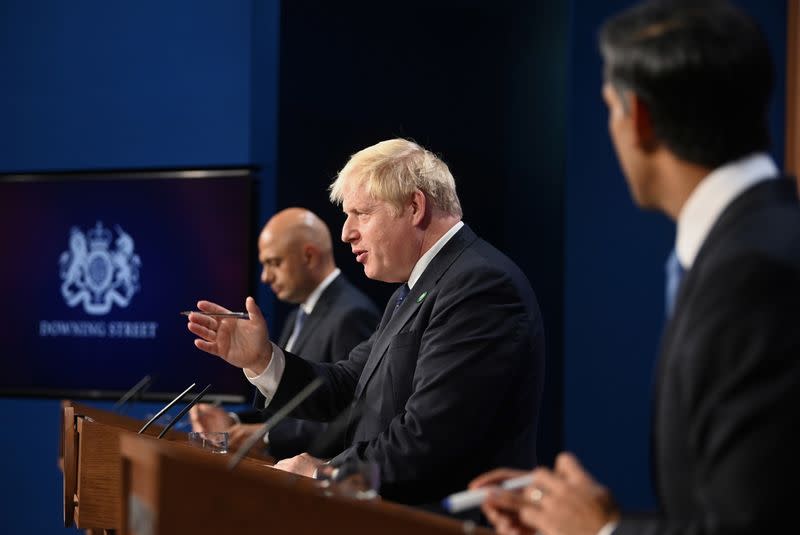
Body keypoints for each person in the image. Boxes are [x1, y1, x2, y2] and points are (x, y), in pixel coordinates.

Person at [471, 1, 800, 534]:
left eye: (609, 107)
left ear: (639, 117)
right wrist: (594, 519)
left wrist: (602, 533)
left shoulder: (754, 274)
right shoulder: (755, 244)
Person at [186, 138, 546, 507]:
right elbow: (346, 389)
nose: (346, 232)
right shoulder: (416, 288)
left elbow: (428, 442)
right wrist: (262, 359)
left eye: (361, 213)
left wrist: (325, 474)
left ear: (415, 206)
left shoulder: (479, 286)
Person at [189, 207, 379, 459]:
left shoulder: (351, 314)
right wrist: (233, 421)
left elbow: (346, 413)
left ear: (309, 257)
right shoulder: (297, 316)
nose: (265, 277)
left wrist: (266, 437)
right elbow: (290, 405)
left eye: (274, 263)